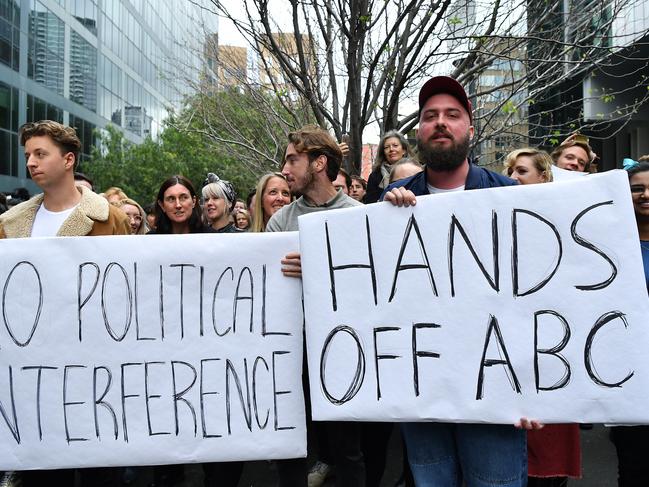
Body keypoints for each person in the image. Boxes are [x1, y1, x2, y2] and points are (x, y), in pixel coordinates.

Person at [383, 76, 542, 487]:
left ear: (469, 129)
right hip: (424, 393)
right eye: (430, 116)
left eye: (452, 115)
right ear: (418, 131)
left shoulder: (510, 195)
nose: (440, 123)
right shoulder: (389, 203)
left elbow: (538, 296)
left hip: (496, 391)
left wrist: (537, 390)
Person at [0, 120, 130, 487]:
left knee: (98, 474)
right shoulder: (9, 225)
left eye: (41, 154)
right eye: (28, 155)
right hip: (36, 377)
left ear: (68, 159)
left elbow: (129, 291)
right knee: (45, 477)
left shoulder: (110, 219)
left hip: (96, 375)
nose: (31, 163)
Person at [266, 125, 364, 487]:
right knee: (292, 448)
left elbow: (371, 284)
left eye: (292, 160)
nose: (285, 169)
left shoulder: (358, 214)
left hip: (343, 351)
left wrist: (321, 267)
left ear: (319, 162)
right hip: (293, 353)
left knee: (347, 449)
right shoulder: (281, 221)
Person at [503, 148, 581, 487]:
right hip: (508, 358)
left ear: (544, 176)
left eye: (522, 171)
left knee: (547, 462)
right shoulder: (495, 221)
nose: (513, 178)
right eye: (509, 171)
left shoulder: (567, 221)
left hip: (553, 357)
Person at [609, 157, 649, 487]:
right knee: (634, 467)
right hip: (630, 380)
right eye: (637, 189)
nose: (645, 194)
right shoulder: (608, 246)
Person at [365, 130, 412, 203]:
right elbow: (369, 203)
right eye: (387, 147)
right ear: (383, 152)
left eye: (395, 146)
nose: (391, 149)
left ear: (404, 150)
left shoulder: (415, 170)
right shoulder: (375, 176)